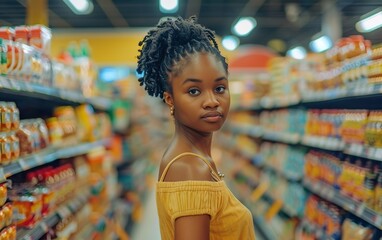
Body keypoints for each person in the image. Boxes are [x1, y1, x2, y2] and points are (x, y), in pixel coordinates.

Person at [137, 16, 255, 240]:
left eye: (220, 88)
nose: (212, 101)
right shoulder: (190, 168)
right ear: (170, 99)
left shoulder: (191, 158)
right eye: (194, 91)